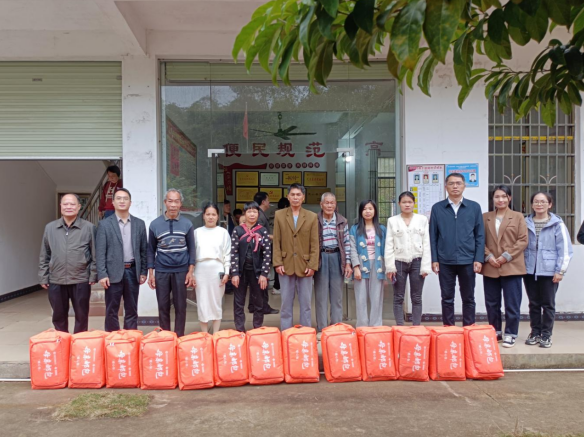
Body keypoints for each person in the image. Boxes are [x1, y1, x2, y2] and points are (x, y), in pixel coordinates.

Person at [430, 172, 485, 326]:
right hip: (445, 260)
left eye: (458, 183)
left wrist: (478, 258)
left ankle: (468, 328)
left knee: (469, 298)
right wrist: (434, 259)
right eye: (451, 183)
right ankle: (449, 329)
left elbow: (480, 235)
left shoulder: (474, 207)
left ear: (464, 186)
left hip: (468, 260)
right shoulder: (438, 208)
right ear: (446, 186)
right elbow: (433, 236)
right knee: (447, 298)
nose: (455, 186)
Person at [39, 194, 97, 333]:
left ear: (79, 207)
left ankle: (79, 342)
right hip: (56, 279)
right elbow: (45, 254)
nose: (68, 207)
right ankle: (62, 342)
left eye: (72, 204)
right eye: (65, 204)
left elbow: (95, 254)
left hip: (80, 279)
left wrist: (93, 274)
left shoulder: (89, 227)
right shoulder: (50, 228)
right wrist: (43, 276)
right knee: (58, 316)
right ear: (61, 206)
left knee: (82, 316)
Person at [524, 192, 573, 348]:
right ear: (532, 205)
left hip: (549, 271)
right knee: (533, 303)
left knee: (548, 304)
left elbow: (565, 250)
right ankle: (535, 332)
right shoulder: (525, 223)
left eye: (543, 201)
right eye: (536, 201)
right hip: (530, 270)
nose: (539, 204)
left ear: (550, 204)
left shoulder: (557, 224)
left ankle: (546, 335)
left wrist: (560, 271)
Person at [481, 185, 528, 347]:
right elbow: (479, 239)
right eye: (497, 197)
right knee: (492, 303)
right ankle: (495, 331)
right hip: (491, 266)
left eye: (503, 196)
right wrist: (488, 256)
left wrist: (505, 257)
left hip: (512, 266)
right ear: (493, 199)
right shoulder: (485, 217)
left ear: (509, 198)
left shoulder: (518, 216)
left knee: (512, 303)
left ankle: (510, 333)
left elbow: (523, 240)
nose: (500, 200)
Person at [96, 188, 148, 332]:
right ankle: (113, 340)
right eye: (118, 198)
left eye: (125, 198)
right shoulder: (104, 224)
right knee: (112, 310)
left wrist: (143, 271)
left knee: (132, 308)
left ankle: (130, 338)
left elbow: (143, 250)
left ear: (130, 202)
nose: (122, 201)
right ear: (113, 202)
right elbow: (100, 252)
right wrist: (102, 274)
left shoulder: (139, 224)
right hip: (112, 273)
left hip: (132, 271)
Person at [147, 189, 196, 337]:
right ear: (165, 203)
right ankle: (166, 336)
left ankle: (179, 336)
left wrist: (190, 271)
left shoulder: (187, 224)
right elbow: (151, 250)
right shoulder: (155, 224)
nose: (173, 205)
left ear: (180, 204)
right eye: (170, 201)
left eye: (176, 201)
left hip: (181, 270)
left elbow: (192, 249)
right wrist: (151, 274)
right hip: (162, 270)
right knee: (163, 305)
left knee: (181, 306)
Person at [273, 183, 319, 330]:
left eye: (298, 195)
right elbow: (276, 241)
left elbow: (315, 244)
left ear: (303, 197)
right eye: (292, 194)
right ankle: (286, 333)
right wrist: (277, 263)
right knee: (286, 304)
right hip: (285, 265)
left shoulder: (312, 217)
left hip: (305, 266)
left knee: (306, 304)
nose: (295, 197)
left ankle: (305, 333)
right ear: (288, 197)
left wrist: (312, 265)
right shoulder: (279, 215)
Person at [385, 192, 431, 326]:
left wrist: (425, 266)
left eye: (410, 202)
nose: (407, 205)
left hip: (417, 261)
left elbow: (426, 243)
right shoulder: (392, 221)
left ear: (414, 203)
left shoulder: (422, 219)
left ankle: (416, 327)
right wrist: (390, 266)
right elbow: (389, 244)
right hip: (398, 262)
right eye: (404, 202)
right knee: (398, 297)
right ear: (399, 204)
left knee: (416, 297)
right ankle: (400, 326)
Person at [230, 202, 272, 332]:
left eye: (254, 211)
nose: (252, 214)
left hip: (257, 272)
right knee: (239, 302)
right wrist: (234, 273)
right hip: (241, 272)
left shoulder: (262, 231)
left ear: (258, 214)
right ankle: (240, 330)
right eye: (249, 211)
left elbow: (267, 253)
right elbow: (234, 252)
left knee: (259, 302)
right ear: (245, 214)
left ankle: (257, 329)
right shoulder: (238, 230)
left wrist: (264, 274)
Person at [315, 192, 352, 337]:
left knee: (337, 296)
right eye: (327, 203)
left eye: (332, 203)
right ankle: (322, 328)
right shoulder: (315, 220)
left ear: (336, 205)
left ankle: (336, 327)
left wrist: (347, 263)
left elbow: (347, 243)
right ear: (321, 204)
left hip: (337, 257)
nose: (329, 205)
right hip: (321, 257)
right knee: (321, 296)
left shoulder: (342, 221)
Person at [193, 202, 232, 334]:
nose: (210, 217)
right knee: (202, 302)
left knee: (216, 302)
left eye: (213, 214)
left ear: (218, 216)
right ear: (203, 216)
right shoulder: (196, 233)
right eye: (208, 214)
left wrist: (227, 272)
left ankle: (215, 333)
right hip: (200, 270)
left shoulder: (223, 233)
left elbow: (227, 254)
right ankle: (204, 333)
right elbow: (192, 255)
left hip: (217, 269)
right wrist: (191, 273)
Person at [350, 200, 387, 327]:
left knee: (376, 298)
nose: (367, 211)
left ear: (375, 211)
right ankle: (362, 326)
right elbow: (352, 249)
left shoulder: (382, 229)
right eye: (364, 209)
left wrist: (387, 270)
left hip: (378, 266)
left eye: (370, 208)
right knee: (360, 298)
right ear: (361, 211)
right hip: (361, 265)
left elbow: (387, 249)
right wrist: (356, 267)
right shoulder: (355, 229)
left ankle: (376, 326)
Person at [251, 191, 279, 312]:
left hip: (258, 252)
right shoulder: (260, 216)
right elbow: (259, 234)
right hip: (260, 252)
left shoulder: (259, 214)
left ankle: (253, 305)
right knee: (263, 279)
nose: (269, 203)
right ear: (263, 201)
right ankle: (263, 306)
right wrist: (274, 237)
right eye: (268, 200)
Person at [272, 196, 290, 294]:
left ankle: (277, 286)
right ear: (286, 206)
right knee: (280, 265)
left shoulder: (272, 213)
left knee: (277, 265)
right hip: (280, 243)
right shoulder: (282, 215)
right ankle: (278, 286)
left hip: (271, 242)